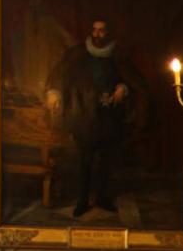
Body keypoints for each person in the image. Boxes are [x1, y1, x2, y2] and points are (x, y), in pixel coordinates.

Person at [45, 19, 143, 217]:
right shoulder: (78, 53)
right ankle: (82, 200)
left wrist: (122, 87)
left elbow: (131, 79)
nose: (98, 34)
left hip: (109, 115)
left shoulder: (118, 54)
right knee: (84, 160)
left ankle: (103, 198)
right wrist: (54, 91)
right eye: (95, 30)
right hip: (84, 114)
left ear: (108, 33)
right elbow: (59, 74)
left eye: (102, 31)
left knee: (106, 160)